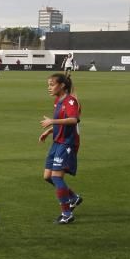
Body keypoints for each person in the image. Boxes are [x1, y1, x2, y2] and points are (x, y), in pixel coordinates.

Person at [40, 73, 82, 224]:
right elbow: (62, 123)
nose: (49, 88)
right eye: (48, 85)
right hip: (57, 142)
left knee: (57, 177)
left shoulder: (71, 101)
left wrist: (52, 122)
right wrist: (50, 131)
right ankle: (73, 197)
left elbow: (73, 120)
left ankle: (67, 214)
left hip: (67, 143)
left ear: (62, 85)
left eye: (52, 84)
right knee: (47, 176)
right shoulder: (58, 100)